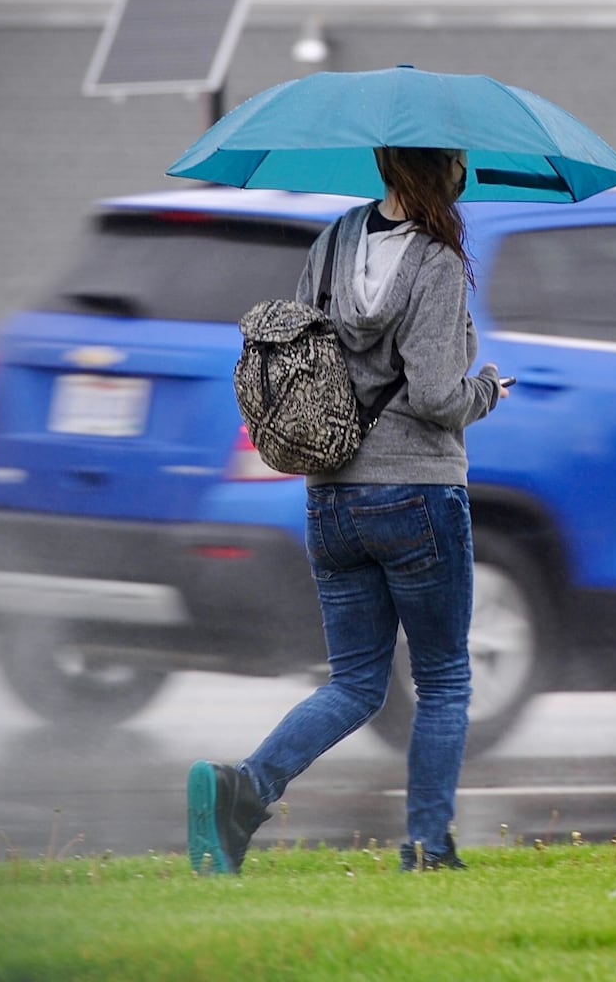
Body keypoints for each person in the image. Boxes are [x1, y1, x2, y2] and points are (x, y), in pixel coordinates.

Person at [187, 146, 508, 875]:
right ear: (445, 172)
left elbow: (300, 359)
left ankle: (245, 789)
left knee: (356, 682)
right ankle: (428, 849)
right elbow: (434, 397)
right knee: (444, 680)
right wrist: (486, 390)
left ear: (384, 166)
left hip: (330, 494)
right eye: (458, 162)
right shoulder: (438, 263)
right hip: (416, 490)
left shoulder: (332, 243)